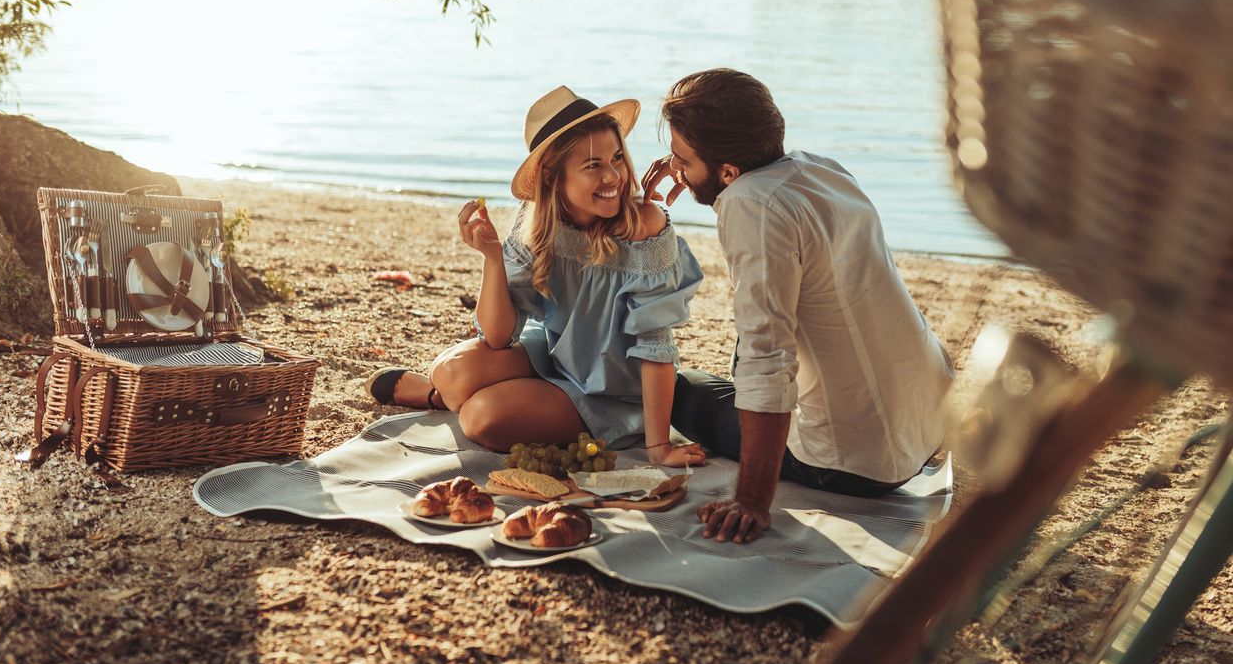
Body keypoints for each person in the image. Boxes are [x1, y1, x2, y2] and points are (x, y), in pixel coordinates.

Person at [642, 68, 953, 544]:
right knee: (726, 368)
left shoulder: (751, 205)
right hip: (929, 420)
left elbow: (769, 358)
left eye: (683, 160)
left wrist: (750, 499)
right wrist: (695, 165)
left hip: (854, 463)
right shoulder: (818, 168)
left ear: (728, 170)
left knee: (675, 392)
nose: (675, 170)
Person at [367, 85, 706, 468]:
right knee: (448, 371)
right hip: (555, 354)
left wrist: (659, 447)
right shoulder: (536, 222)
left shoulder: (646, 226)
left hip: (614, 391)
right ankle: (439, 394)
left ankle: (448, 399)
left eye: (617, 159)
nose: (613, 177)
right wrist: (492, 258)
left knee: (481, 418)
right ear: (551, 176)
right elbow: (497, 336)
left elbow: (656, 344)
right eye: (593, 165)